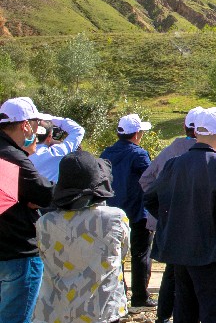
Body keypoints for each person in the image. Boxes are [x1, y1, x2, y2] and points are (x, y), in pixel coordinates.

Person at [144, 107, 216, 323]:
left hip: (180, 253)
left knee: (185, 310)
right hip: (211, 252)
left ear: (196, 133)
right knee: (215, 313)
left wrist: (173, 220)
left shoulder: (174, 163)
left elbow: (151, 198)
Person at [33, 150, 129, 323]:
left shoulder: (45, 222)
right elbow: (122, 253)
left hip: (57, 310)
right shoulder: (115, 217)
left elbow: (44, 257)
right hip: (102, 309)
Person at [138, 106, 202, 323]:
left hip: (169, 223)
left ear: (185, 127)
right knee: (196, 272)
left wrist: (164, 208)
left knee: (172, 270)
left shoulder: (170, 150)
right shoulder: (208, 153)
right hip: (197, 224)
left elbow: (146, 179)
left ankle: (163, 315)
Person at [0, 97, 54, 323]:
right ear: (25, 125)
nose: (37, 130)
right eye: (36, 125)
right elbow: (45, 194)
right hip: (18, 250)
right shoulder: (13, 156)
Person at [100, 113, 154, 308]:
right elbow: (150, 179)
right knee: (140, 254)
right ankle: (140, 296)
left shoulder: (106, 153)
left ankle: (119, 293)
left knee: (115, 254)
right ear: (137, 134)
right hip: (137, 211)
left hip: (111, 212)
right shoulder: (139, 154)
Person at [29, 116, 85, 183]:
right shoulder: (57, 153)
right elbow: (78, 130)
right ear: (49, 136)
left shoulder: (21, 152)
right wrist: (49, 117)